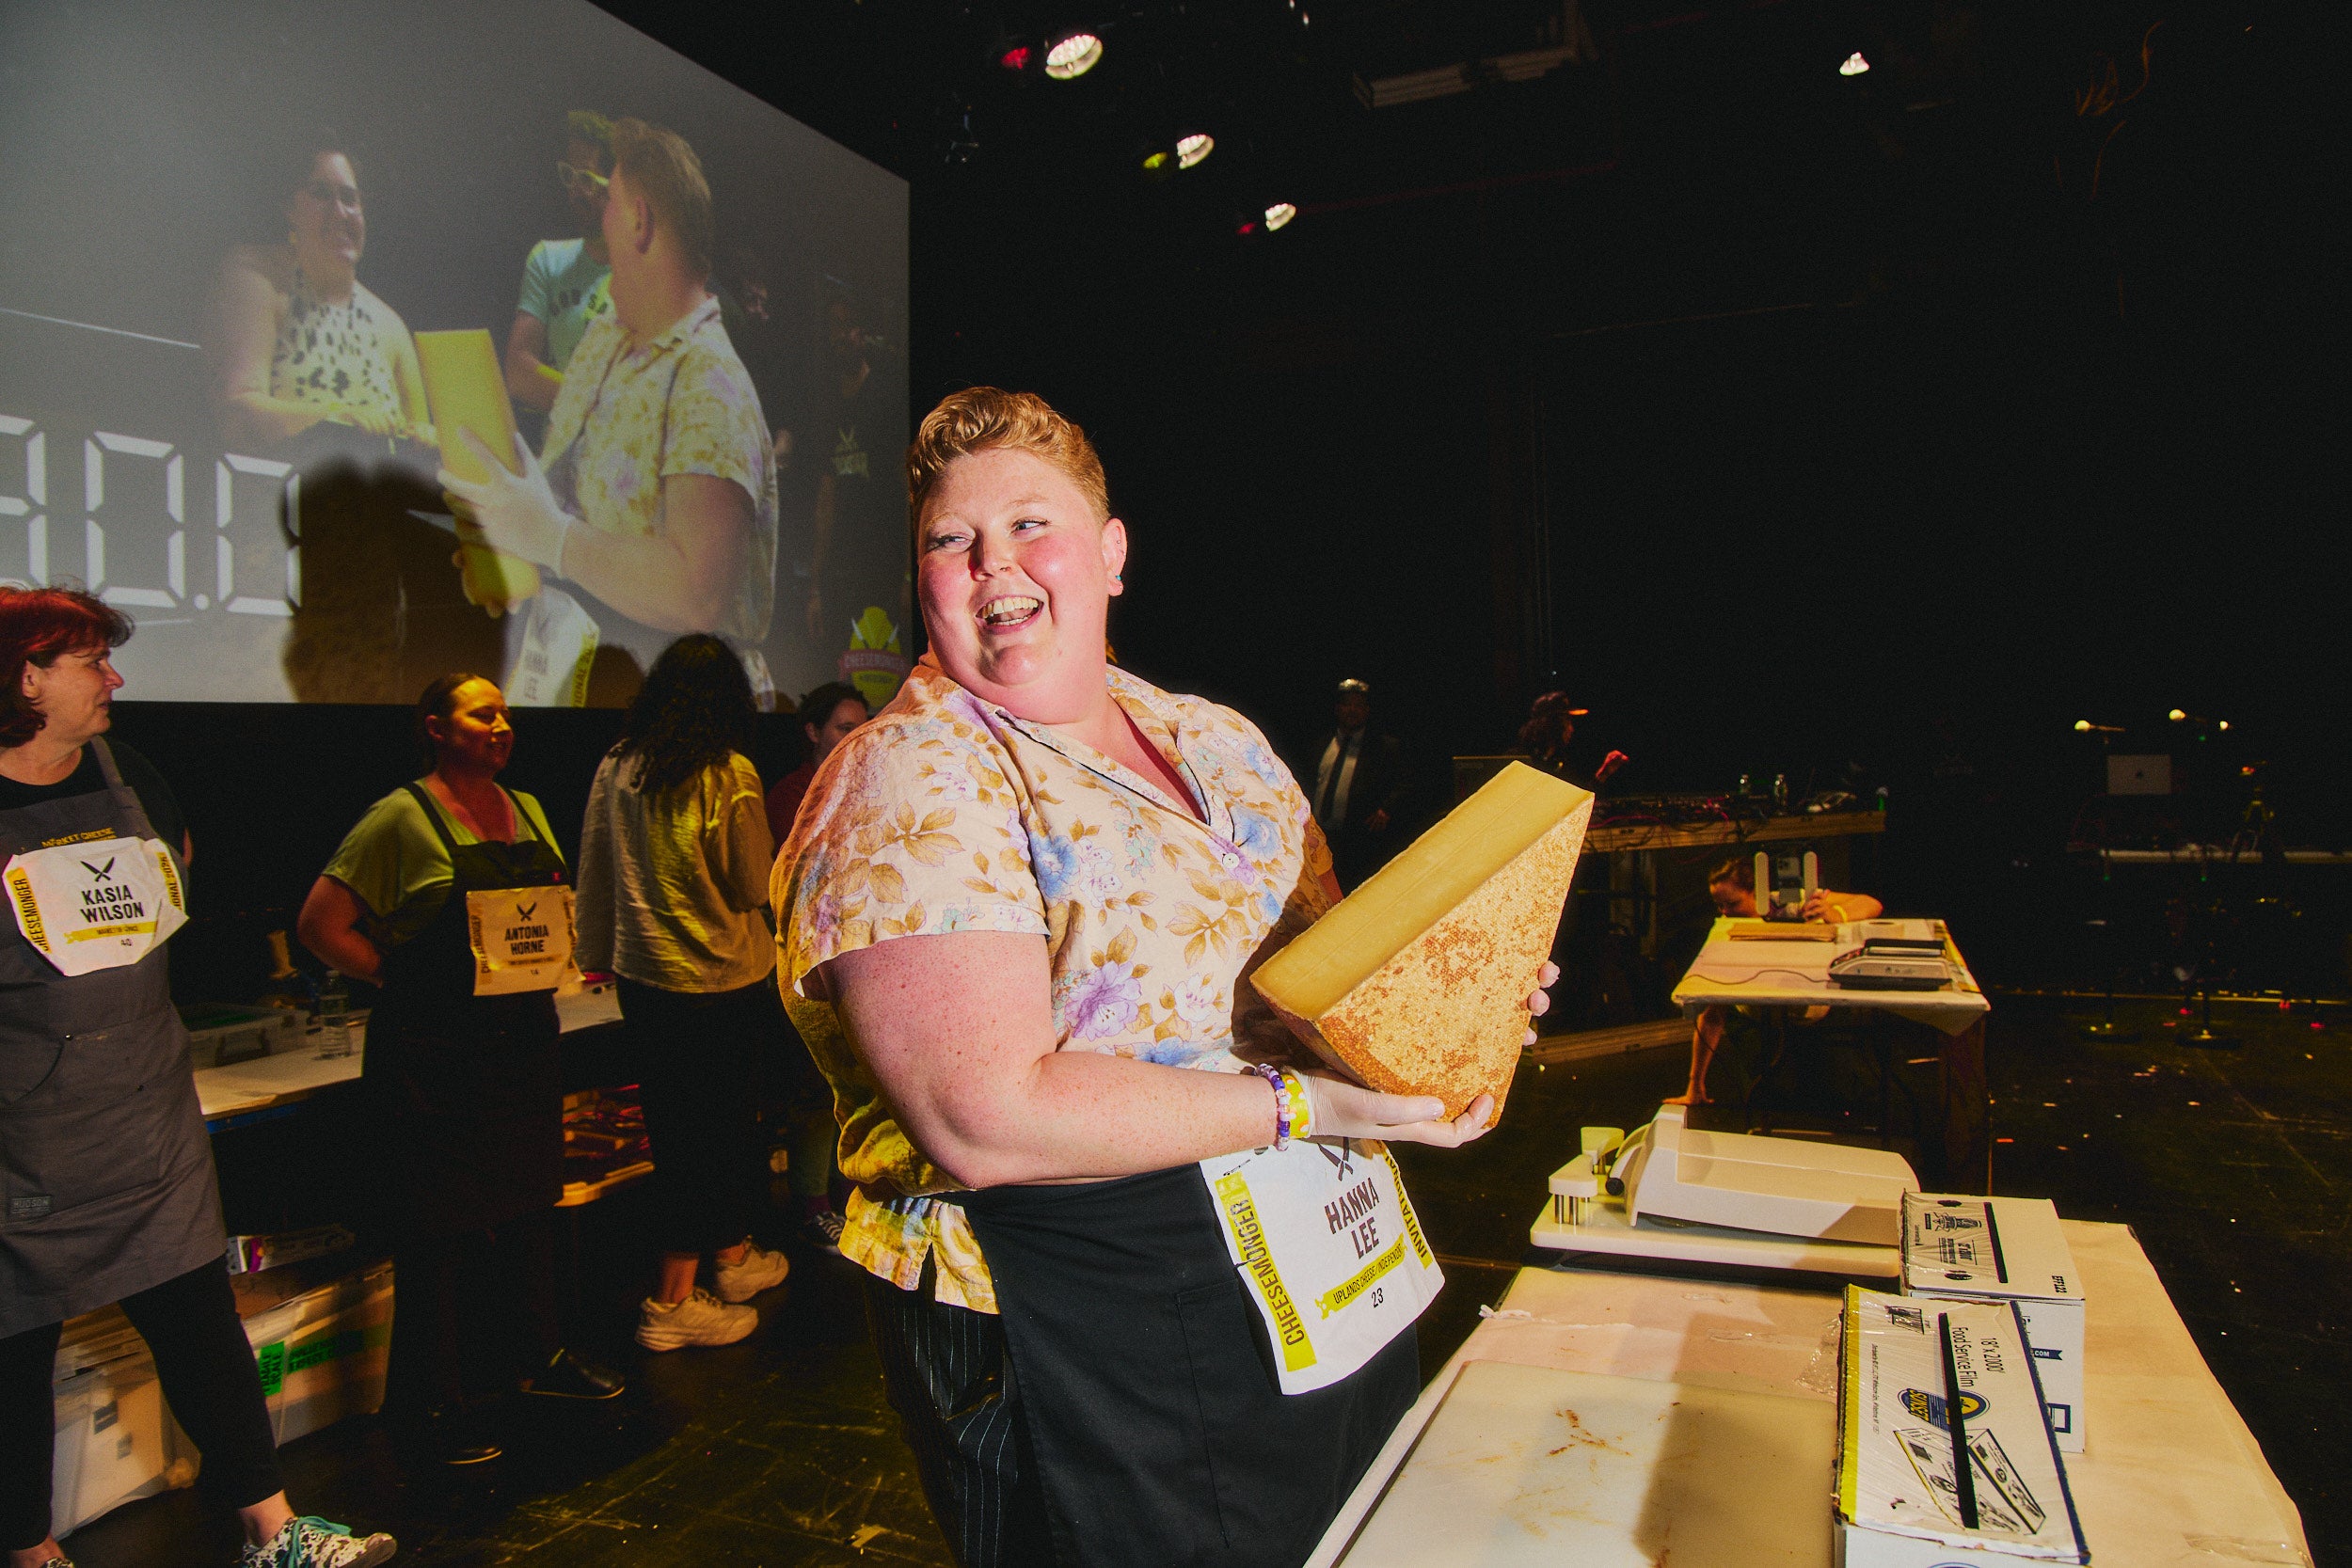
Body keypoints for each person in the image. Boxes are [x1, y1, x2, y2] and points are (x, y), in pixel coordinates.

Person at [772, 388, 1555, 1567]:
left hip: (1299, 1263)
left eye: (1031, 524)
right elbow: (983, 1116)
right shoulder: (908, 780)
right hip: (1064, 1301)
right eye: (950, 539)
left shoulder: (1215, 737)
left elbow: (1316, 971)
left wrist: (1446, 992)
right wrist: (1314, 1105)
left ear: (1111, 552)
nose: (995, 565)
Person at [0, 588, 392, 1568]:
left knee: (200, 1322)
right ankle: (28, 1547)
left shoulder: (126, 769)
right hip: (27, 1129)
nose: (115, 678)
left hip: (150, 1111)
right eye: (92, 660)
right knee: (15, 1351)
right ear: (25, 677)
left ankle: (273, 1527)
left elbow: (173, 868)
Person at [297, 674, 621, 1465]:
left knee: (529, 1206)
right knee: (436, 1228)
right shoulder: (400, 816)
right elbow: (319, 924)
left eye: (505, 712)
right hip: (436, 1054)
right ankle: (431, 1402)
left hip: (521, 1044)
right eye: (483, 714)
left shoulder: (530, 806)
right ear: (437, 727)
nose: (501, 725)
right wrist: (399, 976)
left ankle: (536, 1361)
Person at [438, 117, 779, 701]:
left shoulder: (709, 381)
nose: (597, 218)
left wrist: (549, 539)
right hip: (575, 682)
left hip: (676, 716)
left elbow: (696, 593)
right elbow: (563, 504)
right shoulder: (604, 340)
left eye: (609, 202)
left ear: (639, 221)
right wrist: (507, 541)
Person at [576, 636, 793, 1351]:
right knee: (715, 1139)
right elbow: (752, 884)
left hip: (646, 983)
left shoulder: (617, 764)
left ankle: (731, 1259)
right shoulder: (726, 772)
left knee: (686, 1130)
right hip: (723, 982)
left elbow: (596, 868)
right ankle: (671, 1304)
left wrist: (593, 953)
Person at [210, 135, 432, 452]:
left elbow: (421, 440)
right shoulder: (255, 279)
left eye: (350, 199)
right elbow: (238, 412)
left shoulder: (391, 326)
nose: (340, 213)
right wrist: (335, 418)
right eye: (321, 194)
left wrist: (423, 435)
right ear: (289, 207)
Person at [1675, 856, 1884, 1105]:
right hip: (1759, 1021)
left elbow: (1871, 904)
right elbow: (1712, 1013)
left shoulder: (1793, 902)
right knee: (1769, 1100)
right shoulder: (1726, 930)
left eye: (1732, 903)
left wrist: (1834, 913)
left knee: (1829, 1098)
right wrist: (1695, 1085)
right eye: (1719, 905)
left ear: (1756, 893)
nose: (1725, 912)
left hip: (1810, 1016)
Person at [503, 111, 616, 417]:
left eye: (587, 180)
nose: (574, 192)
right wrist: (600, 411)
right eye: (569, 175)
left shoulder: (644, 274)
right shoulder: (548, 259)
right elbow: (518, 370)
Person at [1310, 678, 1410, 891]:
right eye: (1347, 704)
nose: (1352, 710)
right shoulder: (1321, 743)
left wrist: (1386, 809)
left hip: (1359, 840)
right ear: (1338, 708)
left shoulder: (1383, 747)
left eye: (1358, 705)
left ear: (1367, 710)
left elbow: (1405, 782)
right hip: (1320, 837)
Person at [763, 681, 868, 847]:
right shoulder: (791, 794)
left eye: (863, 730)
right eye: (845, 729)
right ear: (813, 732)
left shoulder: (871, 785)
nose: (857, 738)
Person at [1517, 689, 1629, 793]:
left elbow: (1577, 804)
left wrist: (1603, 774)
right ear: (1552, 723)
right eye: (1567, 721)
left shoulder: (1560, 762)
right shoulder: (1519, 762)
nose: (1571, 729)